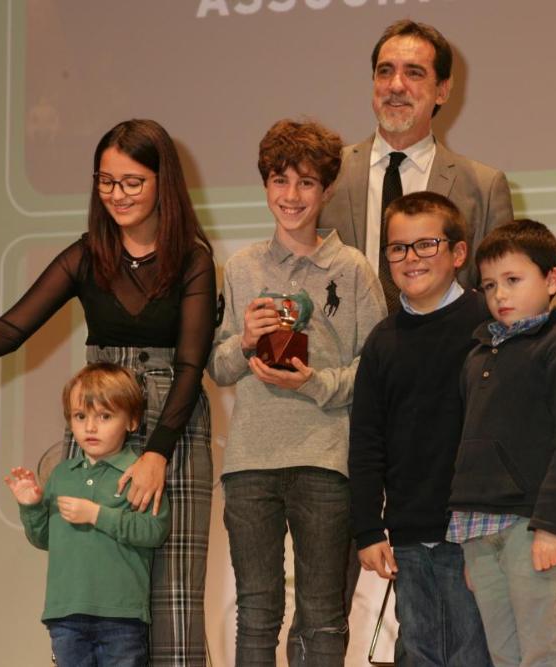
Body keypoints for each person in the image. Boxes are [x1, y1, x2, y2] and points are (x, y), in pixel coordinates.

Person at [0, 119, 216, 666]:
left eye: (133, 182)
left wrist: (158, 452)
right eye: (107, 182)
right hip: (101, 414)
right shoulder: (87, 254)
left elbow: (191, 364)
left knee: (174, 597)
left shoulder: (192, 259)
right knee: (94, 577)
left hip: (171, 427)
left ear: (164, 182)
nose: (118, 195)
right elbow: (14, 326)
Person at [349, 193, 556, 666]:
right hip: (424, 530)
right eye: (398, 248)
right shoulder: (395, 341)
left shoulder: (490, 325)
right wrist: (369, 525)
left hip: (481, 529)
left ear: (457, 255)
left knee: (493, 653)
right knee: (425, 649)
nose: (411, 258)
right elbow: (367, 438)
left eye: (426, 244)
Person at [207, 119, 386, 665]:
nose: (292, 196)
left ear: (327, 190)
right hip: (251, 463)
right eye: (280, 180)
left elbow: (378, 374)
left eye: (306, 183)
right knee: (256, 613)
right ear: (265, 185)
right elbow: (217, 365)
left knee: (323, 616)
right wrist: (246, 340)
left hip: (326, 460)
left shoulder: (353, 269)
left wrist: (316, 383)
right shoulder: (240, 268)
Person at [446, 219, 556, 667]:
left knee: (543, 654)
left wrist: (551, 524)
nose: (500, 295)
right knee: (504, 655)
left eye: (513, 280)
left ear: (552, 279)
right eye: (490, 285)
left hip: (533, 526)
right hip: (478, 528)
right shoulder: (477, 355)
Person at [318, 19, 513, 310]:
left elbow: (505, 295)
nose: (396, 85)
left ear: (442, 90)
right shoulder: (328, 173)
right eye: (385, 71)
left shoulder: (484, 187)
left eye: (414, 73)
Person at [6, 363, 169, 667]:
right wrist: (30, 506)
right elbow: (44, 538)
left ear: (131, 421)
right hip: (65, 613)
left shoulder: (139, 474)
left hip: (122, 615)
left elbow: (153, 530)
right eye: (81, 417)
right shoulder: (61, 475)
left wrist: (97, 515)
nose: (90, 427)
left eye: (105, 417)